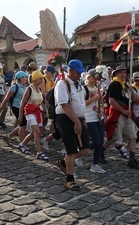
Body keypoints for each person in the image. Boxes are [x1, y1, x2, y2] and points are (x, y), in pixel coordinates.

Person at [55, 59, 90, 190]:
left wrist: (82, 120)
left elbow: (81, 103)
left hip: (79, 118)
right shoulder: (62, 84)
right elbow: (64, 105)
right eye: (77, 72)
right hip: (66, 119)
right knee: (71, 150)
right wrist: (76, 122)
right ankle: (69, 179)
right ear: (69, 71)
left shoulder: (78, 84)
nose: (80, 75)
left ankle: (64, 163)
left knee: (86, 148)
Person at [101, 66, 139, 170]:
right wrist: (123, 110)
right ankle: (100, 152)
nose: (123, 75)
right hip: (118, 113)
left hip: (127, 114)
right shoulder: (113, 84)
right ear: (116, 74)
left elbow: (133, 99)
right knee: (114, 137)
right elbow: (112, 101)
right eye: (121, 73)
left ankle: (132, 160)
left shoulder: (125, 85)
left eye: (125, 73)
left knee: (133, 136)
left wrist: (131, 91)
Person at [17, 70, 49, 160]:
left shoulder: (39, 89)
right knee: (37, 132)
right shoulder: (29, 89)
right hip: (30, 112)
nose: (41, 81)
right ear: (34, 80)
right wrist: (20, 115)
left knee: (34, 132)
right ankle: (39, 152)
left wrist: (44, 109)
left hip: (38, 112)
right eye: (40, 79)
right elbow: (22, 103)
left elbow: (40, 101)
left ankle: (22, 144)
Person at [0, 71, 29, 146]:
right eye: (25, 77)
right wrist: (1, 108)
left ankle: (8, 136)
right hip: (16, 107)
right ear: (21, 78)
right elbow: (6, 98)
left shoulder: (24, 87)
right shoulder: (14, 87)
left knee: (23, 124)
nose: (26, 79)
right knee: (23, 124)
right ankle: (22, 144)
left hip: (22, 107)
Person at [84, 68, 106, 173]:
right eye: (95, 77)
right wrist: (94, 98)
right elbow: (83, 103)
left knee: (101, 141)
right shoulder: (84, 88)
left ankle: (95, 164)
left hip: (98, 117)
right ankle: (80, 153)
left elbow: (101, 101)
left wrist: (101, 110)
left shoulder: (97, 88)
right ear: (89, 77)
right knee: (96, 141)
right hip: (88, 117)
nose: (97, 79)